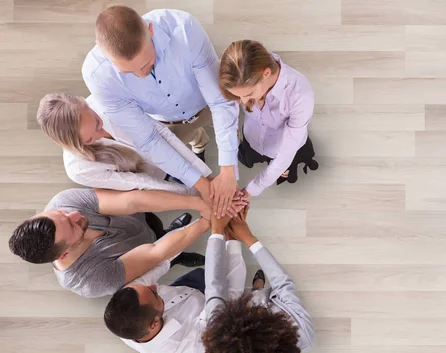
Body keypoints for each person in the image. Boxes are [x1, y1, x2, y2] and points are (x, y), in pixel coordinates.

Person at [83, 5, 240, 216]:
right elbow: (148, 140)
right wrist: (203, 186)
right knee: (191, 138)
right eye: (128, 72)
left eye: (147, 63)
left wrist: (229, 168)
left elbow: (220, 103)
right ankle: (199, 146)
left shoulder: (184, 29)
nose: (141, 75)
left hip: (206, 104)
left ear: (150, 30)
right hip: (167, 122)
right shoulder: (97, 76)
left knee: (235, 133)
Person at [103, 216, 248, 353]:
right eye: (154, 294)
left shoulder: (129, 299)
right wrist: (231, 239)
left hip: (187, 288)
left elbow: (160, 258)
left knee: (202, 274)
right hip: (210, 314)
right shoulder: (181, 352)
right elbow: (228, 292)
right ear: (154, 323)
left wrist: (206, 221)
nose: (153, 286)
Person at [8, 188, 211, 298]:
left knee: (158, 229)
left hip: (140, 221)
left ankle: (170, 233)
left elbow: (133, 201)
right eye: (73, 225)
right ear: (63, 254)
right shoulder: (92, 280)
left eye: (61, 214)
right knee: (168, 256)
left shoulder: (63, 202)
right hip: (147, 253)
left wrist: (198, 202)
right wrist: (209, 221)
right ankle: (179, 255)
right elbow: (155, 253)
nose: (75, 214)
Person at [202, 207, 314, 353]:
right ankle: (258, 287)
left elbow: (215, 285)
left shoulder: (219, 332)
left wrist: (219, 231)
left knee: (231, 286)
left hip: (234, 298)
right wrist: (248, 237)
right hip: (269, 299)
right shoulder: (301, 331)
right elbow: (283, 284)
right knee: (255, 289)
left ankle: (256, 288)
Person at [37, 92, 211, 195]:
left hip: (163, 145)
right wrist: (192, 192)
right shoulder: (79, 169)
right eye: (89, 140)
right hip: (153, 175)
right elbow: (141, 182)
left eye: (98, 123)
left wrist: (204, 177)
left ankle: (198, 150)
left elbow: (161, 134)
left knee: (188, 137)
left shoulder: (106, 100)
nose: (100, 133)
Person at [219, 40, 319, 198]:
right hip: (251, 139)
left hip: (280, 149)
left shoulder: (299, 95)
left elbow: (286, 154)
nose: (243, 102)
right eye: (239, 97)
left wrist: (251, 190)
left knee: (284, 168)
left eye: (249, 95)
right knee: (247, 157)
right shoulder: (242, 75)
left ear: (265, 73)